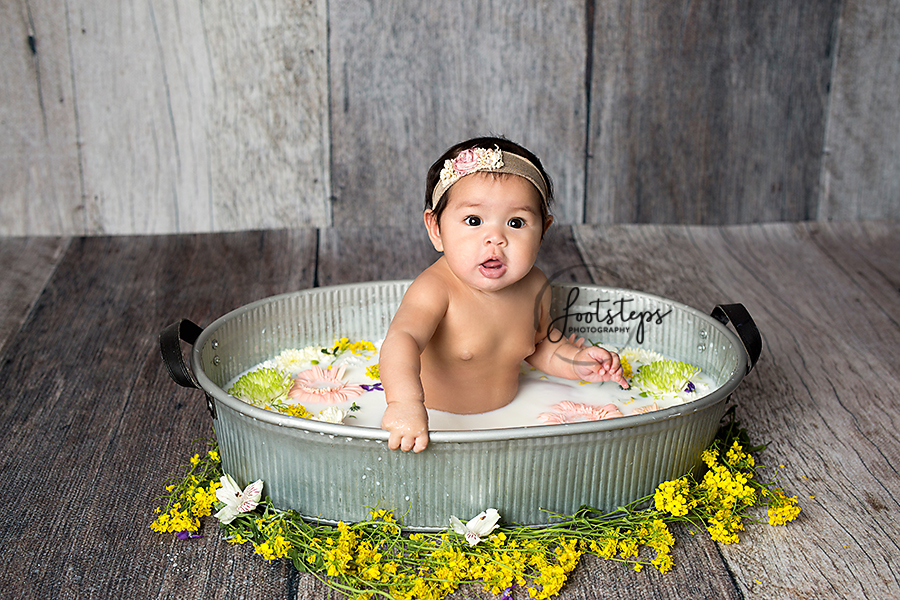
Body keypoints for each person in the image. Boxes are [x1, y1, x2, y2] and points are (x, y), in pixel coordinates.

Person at [379, 136, 628, 452]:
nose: (495, 238)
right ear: (436, 229)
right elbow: (402, 341)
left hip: (511, 421)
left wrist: (576, 362)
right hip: (440, 427)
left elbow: (537, 344)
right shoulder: (435, 289)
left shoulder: (535, 286)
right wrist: (404, 402)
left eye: (516, 222)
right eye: (474, 220)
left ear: (543, 232)